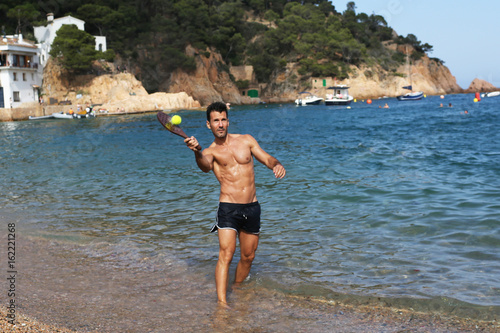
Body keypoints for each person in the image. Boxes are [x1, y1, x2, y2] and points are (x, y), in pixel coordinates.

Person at [184, 102, 286, 306]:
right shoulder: (210, 152)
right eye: (216, 121)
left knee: (248, 256)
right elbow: (204, 167)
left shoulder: (246, 140)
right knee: (226, 253)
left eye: (223, 119)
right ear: (208, 125)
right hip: (228, 208)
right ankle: (222, 304)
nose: (220, 124)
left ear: (228, 121)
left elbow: (266, 158)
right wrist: (196, 151)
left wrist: (276, 164)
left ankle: (237, 289)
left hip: (251, 206)